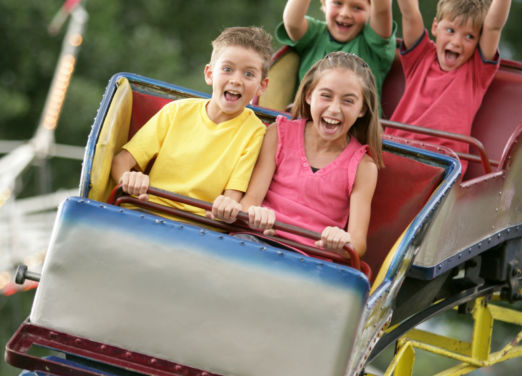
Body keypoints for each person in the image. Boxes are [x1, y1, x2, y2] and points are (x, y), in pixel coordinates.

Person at [211, 52, 383, 258]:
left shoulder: (363, 166)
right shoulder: (278, 133)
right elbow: (250, 202)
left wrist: (340, 240)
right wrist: (255, 214)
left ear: (362, 109)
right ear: (309, 95)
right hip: (258, 240)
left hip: (311, 257)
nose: (334, 109)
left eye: (348, 101)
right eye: (326, 96)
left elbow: (357, 243)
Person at [111, 26, 272, 217]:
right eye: (227, 69)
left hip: (198, 226)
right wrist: (129, 178)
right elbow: (120, 161)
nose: (236, 80)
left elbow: (231, 197)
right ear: (210, 74)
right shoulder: (177, 111)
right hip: (146, 209)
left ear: (262, 86)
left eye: (249, 74)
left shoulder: (254, 132)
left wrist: (225, 210)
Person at [384, 0, 511, 174]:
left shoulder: (476, 72)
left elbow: (494, 26)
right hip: (396, 151)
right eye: (450, 30)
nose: (457, 42)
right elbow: (410, 13)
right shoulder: (420, 56)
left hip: (442, 164)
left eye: (469, 36)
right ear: (436, 27)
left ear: (478, 41)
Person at [275, 0, 396, 109]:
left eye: (357, 8)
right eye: (338, 3)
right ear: (324, 5)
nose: (345, 13)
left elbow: (382, 10)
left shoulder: (374, 44)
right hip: (306, 126)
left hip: (357, 131)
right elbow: (292, 23)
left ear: (371, 11)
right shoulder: (314, 34)